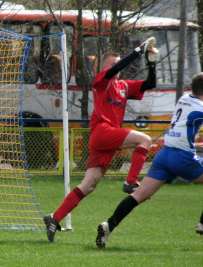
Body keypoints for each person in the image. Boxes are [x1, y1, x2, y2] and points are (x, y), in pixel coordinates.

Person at [95, 72, 203, 248]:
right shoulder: (201, 107)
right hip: (182, 156)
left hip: (164, 154)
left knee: (139, 195)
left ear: (191, 85)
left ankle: (109, 225)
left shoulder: (183, 98)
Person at [43, 37, 159, 242]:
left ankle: (54, 218)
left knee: (88, 185)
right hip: (102, 131)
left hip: (106, 139)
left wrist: (151, 62)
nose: (118, 68)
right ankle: (131, 182)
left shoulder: (123, 85)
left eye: (118, 64)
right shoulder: (102, 80)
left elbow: (151, 83)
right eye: (113, 64)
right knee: (145, 140)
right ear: (104, 67)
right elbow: (115, 70)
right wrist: (137, 51)